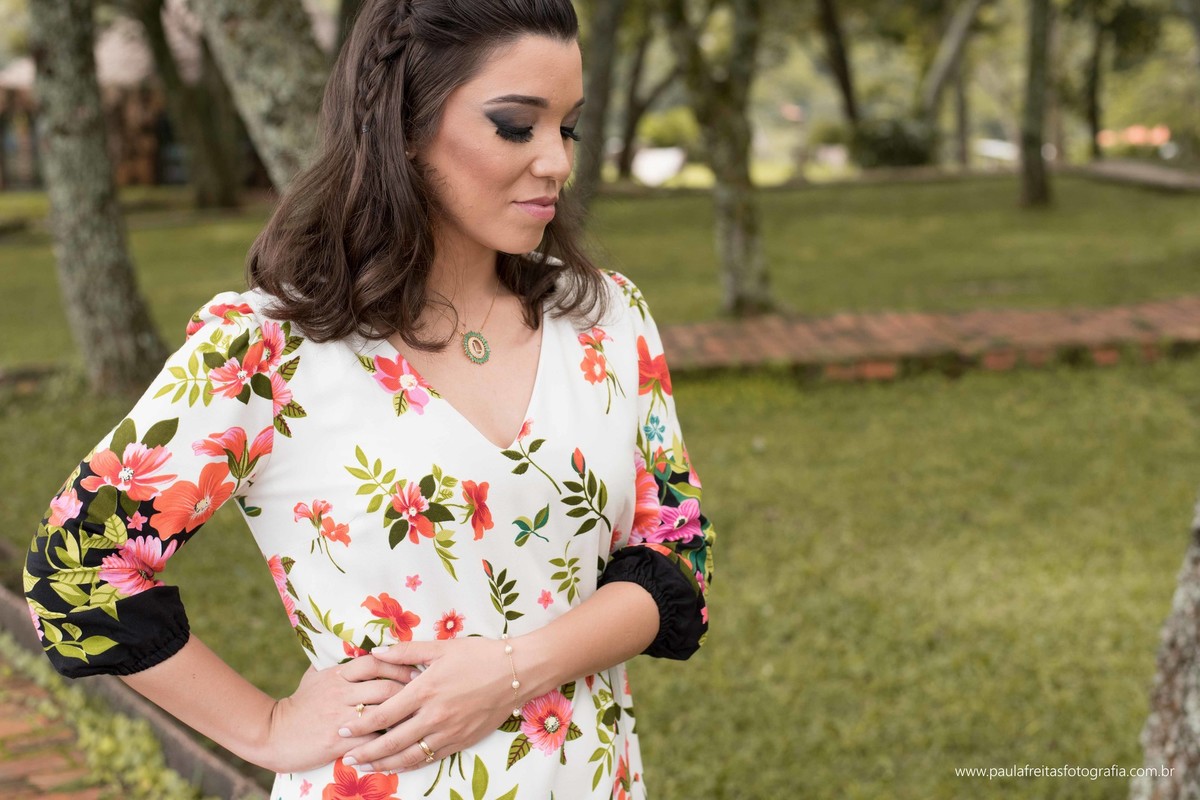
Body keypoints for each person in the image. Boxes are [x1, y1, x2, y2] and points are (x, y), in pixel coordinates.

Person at [24, 0, 714, 797]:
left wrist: (513, 670)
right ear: (405, 127)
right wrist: (265, 727)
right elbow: (77, 565)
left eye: (569, 127)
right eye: (518, 127)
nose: (556, 161)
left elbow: (677, 551)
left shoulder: (605, 317)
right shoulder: (270, 351)